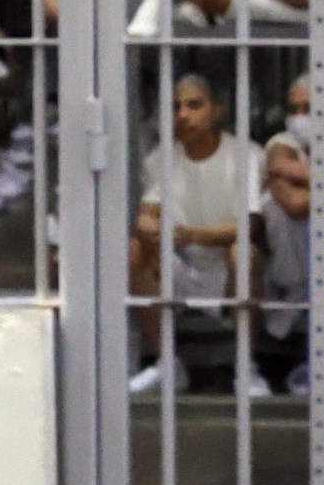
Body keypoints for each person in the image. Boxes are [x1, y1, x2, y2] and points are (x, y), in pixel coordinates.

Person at [128, 64, 251, 392]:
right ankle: (167, 363)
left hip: (229, 274)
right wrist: (147, 225)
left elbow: (250, 227)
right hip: (184, 270)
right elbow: (148, 211)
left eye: (194, 105)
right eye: (175, 107)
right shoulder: (161, 158)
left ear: (217, 111)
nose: (182, 115)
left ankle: (247, 367)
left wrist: (190, 234)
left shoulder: (245, 154)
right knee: (135, 249)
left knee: (244, 253)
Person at [249, 76, 313, 395]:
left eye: (308, 108)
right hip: (293, 266)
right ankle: (296, 286)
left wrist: (305, 175)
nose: (299, 117)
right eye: (294, 109)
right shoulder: (283, 142)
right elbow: (294, 204)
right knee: (273, 202)